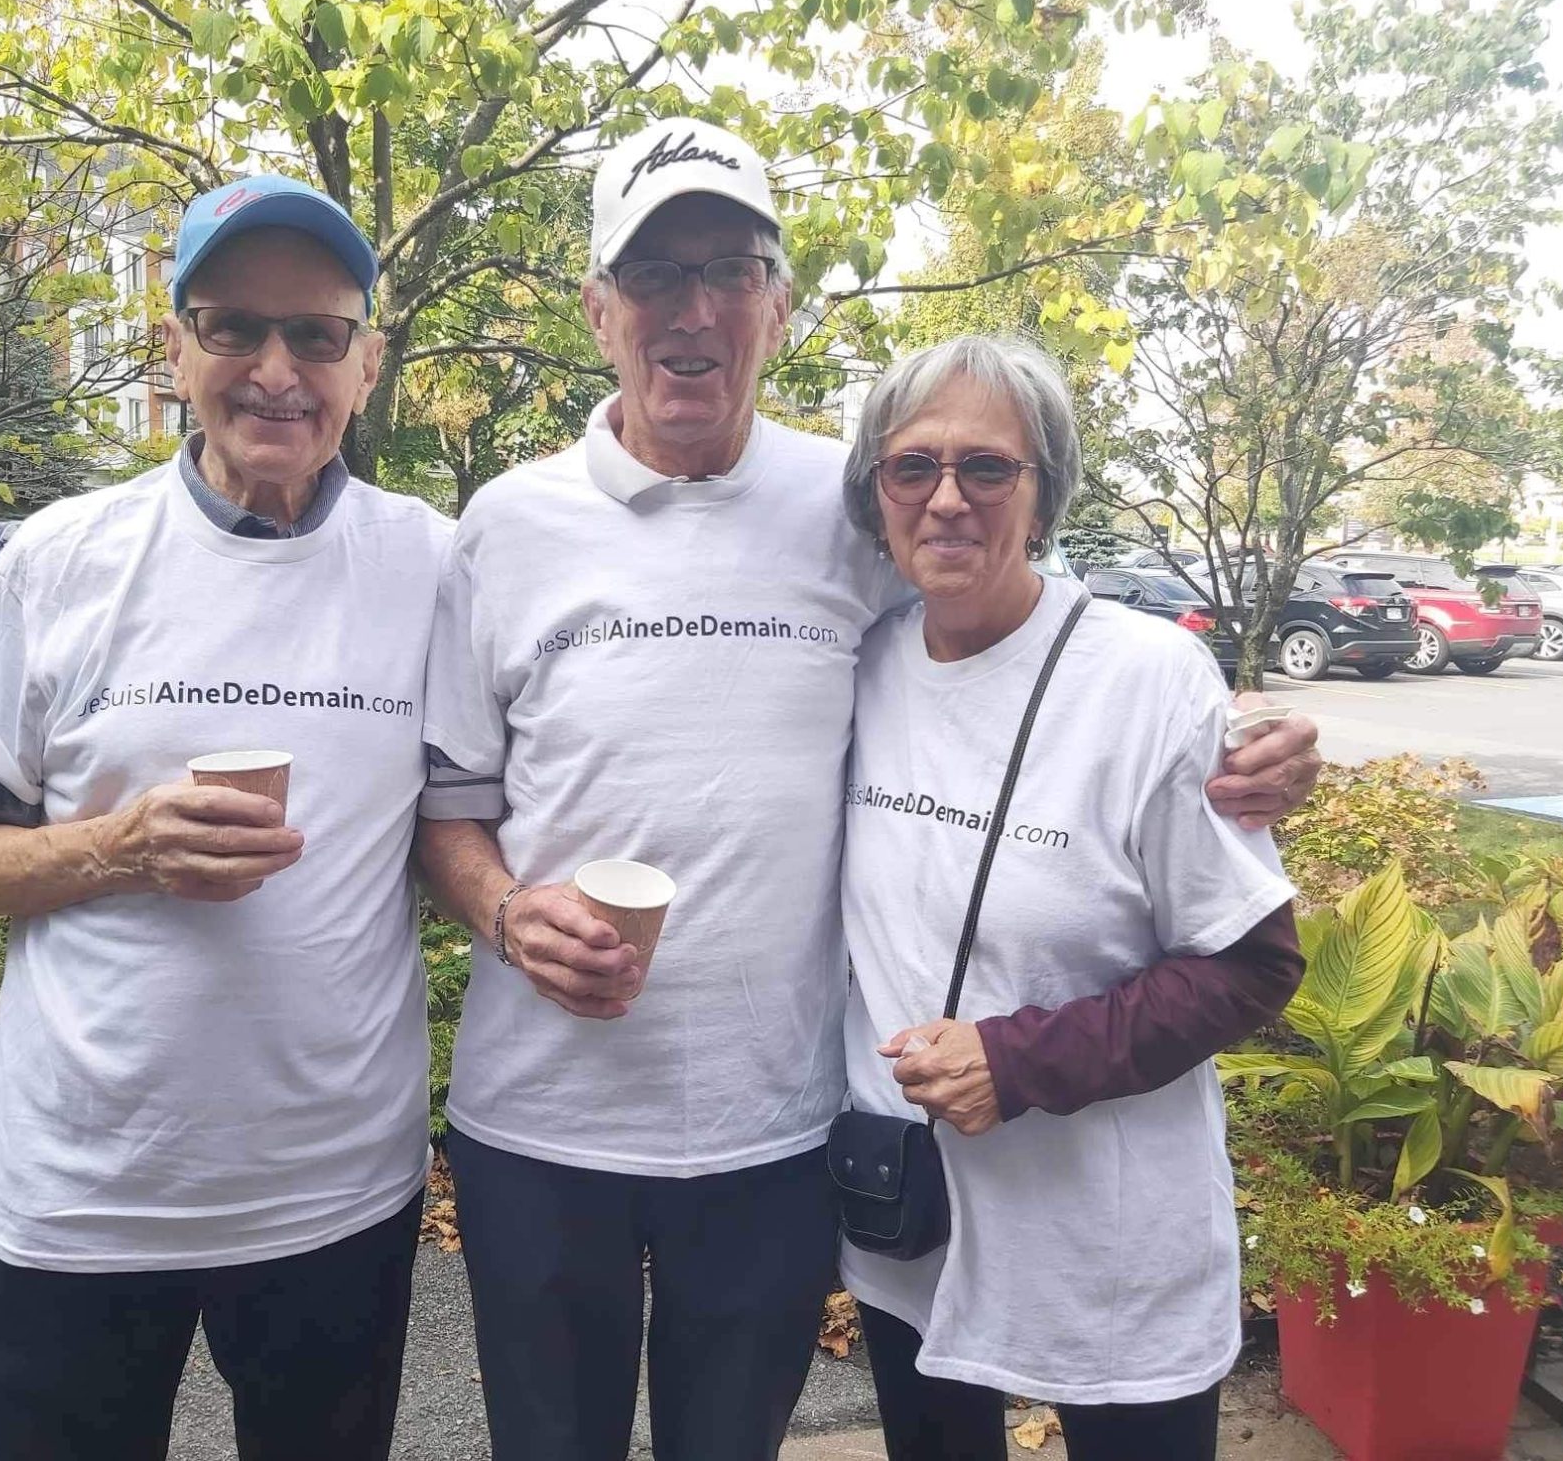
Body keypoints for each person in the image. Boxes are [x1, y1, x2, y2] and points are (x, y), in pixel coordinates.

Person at [414, 117, 1322, 1461]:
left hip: (776, 1136)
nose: (694, 309)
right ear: (599, 308)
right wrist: (501, 911)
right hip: (540, 1127)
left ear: (778, 308)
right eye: (656, 274)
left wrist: (1237, 733)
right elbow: (448, 809)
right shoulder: (504, 523)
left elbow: (1019, 631)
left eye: (730, 269)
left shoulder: (848, 510)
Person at [0, 174, 449, 1461]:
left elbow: (465, 819)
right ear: (174, 350)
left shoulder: (434, 564)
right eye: (232, 328)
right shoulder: (60, 559)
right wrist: (118, 846)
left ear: (365, 365)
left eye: (315, 334)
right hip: (80, 1198)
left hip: (335, 1197)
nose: (276, 370)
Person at [836, 333, 1304, 1460]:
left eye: (986, 468)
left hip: (1107, 1253)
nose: (946, 499)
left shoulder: (1145, 680)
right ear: (878, 494)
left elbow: (1253, 965)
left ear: (1042, 493)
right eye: (913, 467)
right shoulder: (861, 663)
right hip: (918, 1237)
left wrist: (1017, 1059)